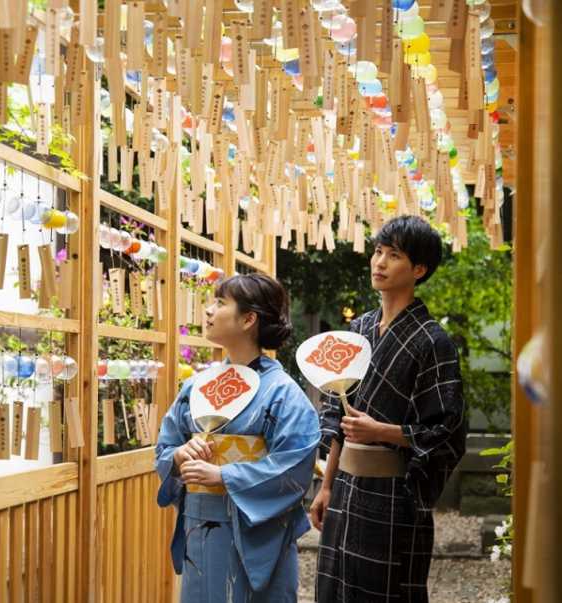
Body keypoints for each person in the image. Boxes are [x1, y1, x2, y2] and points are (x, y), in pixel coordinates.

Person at [310, 215, 467, 602]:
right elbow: (335, 416)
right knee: (334, 587)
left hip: (395, 494)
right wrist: (326, 486)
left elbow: (447, 429)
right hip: (344, 487)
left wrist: (383, 432)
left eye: (393, 255)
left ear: (418, 269)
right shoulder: (358, 330)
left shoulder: (434, 341)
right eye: (378, 251)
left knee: (386, 591)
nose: (378, 262)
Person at [155, 273, 320, 602]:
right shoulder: (197, 385)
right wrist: (179, 455)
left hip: (254, 531)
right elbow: (167, 442)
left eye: (219, 303)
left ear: (248, 319)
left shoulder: (282, 392)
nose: (208, 311)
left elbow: (295, 464)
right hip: (199, 527)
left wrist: (223, 475)